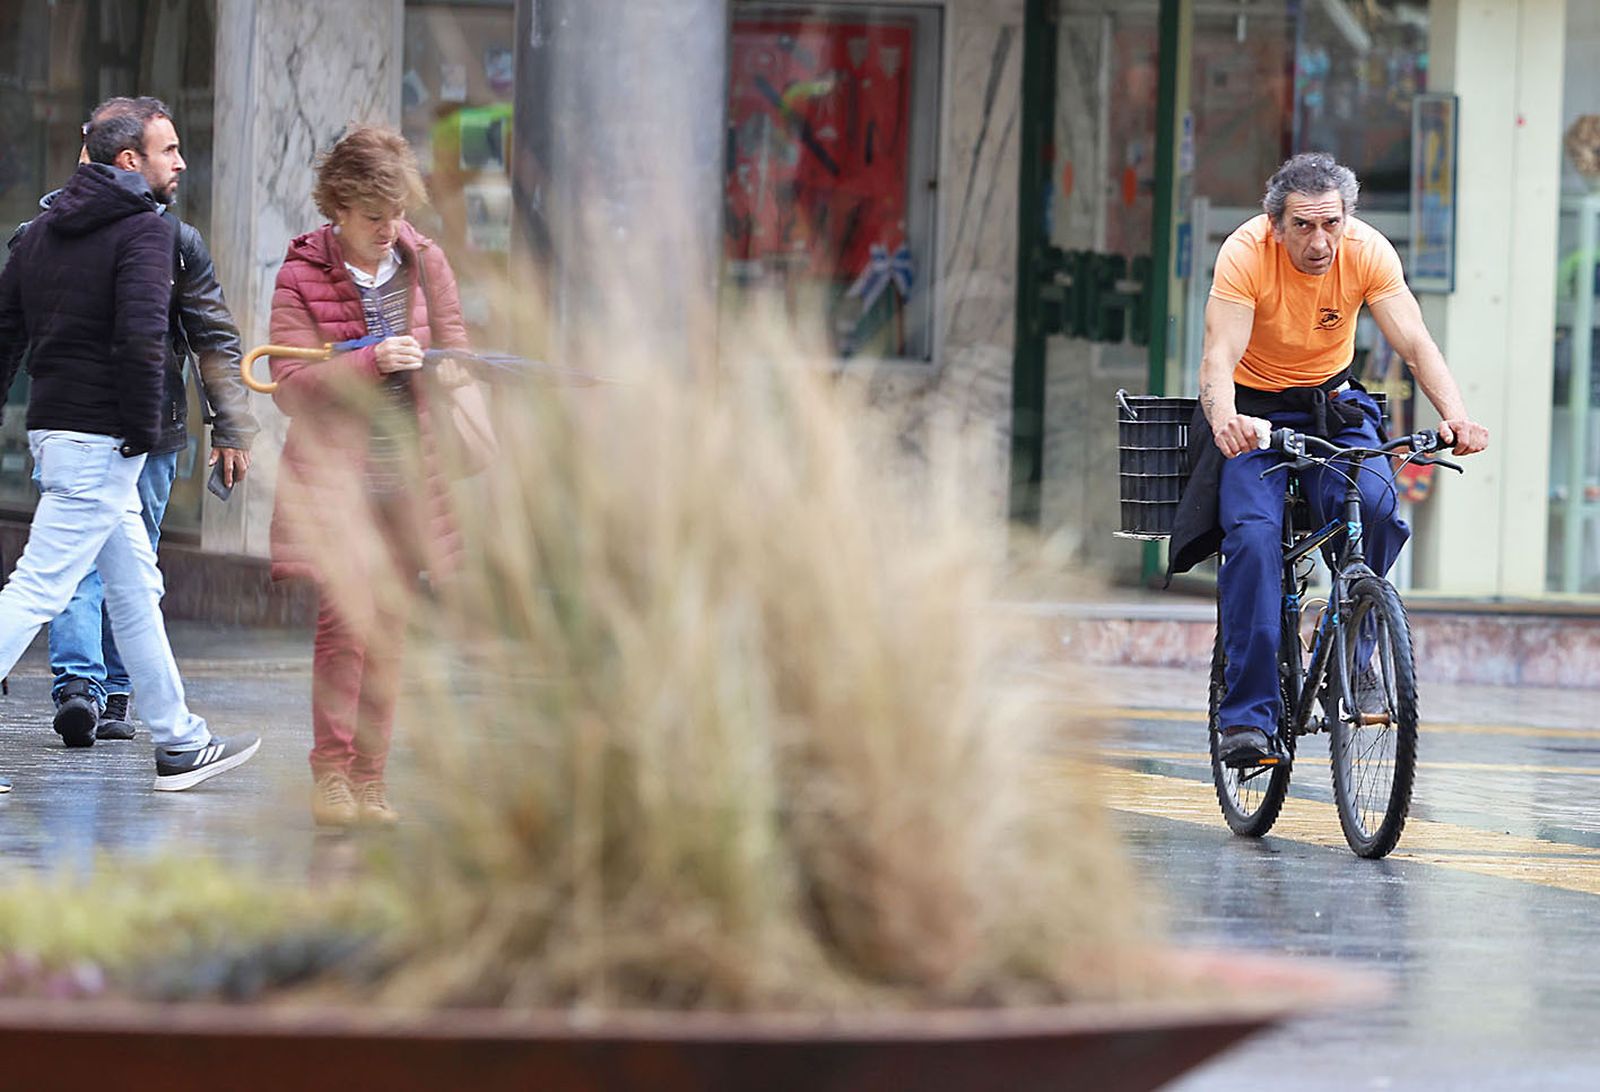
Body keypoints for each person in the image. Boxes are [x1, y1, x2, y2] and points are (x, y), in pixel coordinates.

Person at [1170, 152, 1489, 769]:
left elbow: (1416, 344)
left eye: (1331, 225)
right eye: (1303, 227)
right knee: (1255, 543)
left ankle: (1350, 643)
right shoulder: (1244, 254)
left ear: (1347, 220)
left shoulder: (1367, 251)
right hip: (1252, 415)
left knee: (1374, 506)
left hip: (1333, 405)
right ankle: (1248, 721)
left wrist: (1456, 415)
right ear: (1275, 224)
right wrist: (1225, 421)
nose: (1320, 243)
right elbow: (1217, 357)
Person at [0, 96, 260, 790]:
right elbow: (144, 341)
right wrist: (143, 436)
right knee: (38, 586)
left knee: (135, 587)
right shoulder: (148, 234)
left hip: (64, 434)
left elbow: (4, 340)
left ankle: (179, 741)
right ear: (129, 161)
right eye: (167, 148)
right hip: (106, 443)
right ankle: (177, 740)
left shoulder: (38, 233)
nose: (179, 160)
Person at [267, 125, 469, 827]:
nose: (391, 229)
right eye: (375, 218)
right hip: (339, 480)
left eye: (400, 215)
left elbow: (456, 348)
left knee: (389, 630)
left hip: (410, 476)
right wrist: (370, 361)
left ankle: (372, 780)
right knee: (343, 625)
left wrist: (452, 373)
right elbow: (288, 384)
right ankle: (331, 778)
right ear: (339, 211)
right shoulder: (301, 274)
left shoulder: (426, 262)